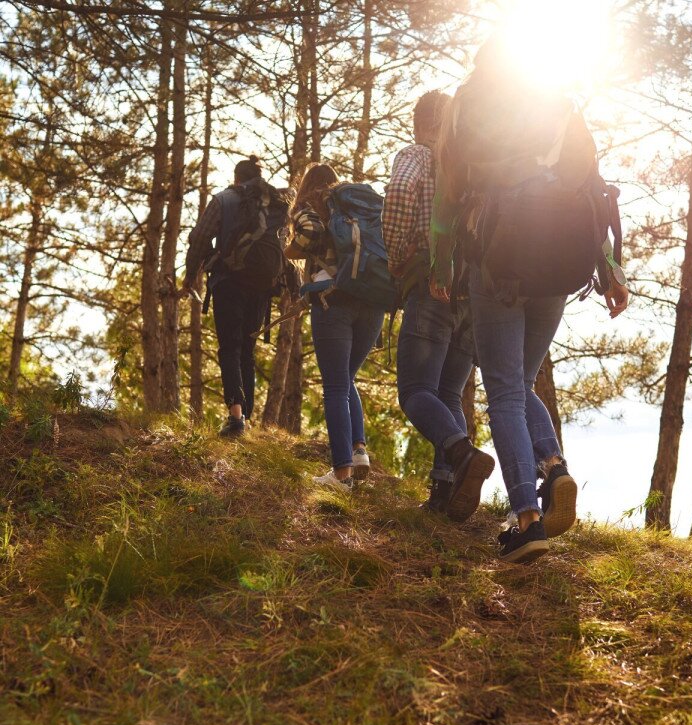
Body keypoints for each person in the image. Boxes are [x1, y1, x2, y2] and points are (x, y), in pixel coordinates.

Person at [431, 37, 629, 562]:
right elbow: (594, 187)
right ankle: (554, 469)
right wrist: (610, 270)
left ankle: (527, 519)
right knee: (519, 383)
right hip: (561, 266)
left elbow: (448, 197)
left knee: (504, 394)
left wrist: (439, 263)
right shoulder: (556, 103)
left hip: (498, 264)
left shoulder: (468, 105)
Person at [383, 90, 494, 521]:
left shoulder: (418, 154)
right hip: (472, 293)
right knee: (448, 392)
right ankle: (444, 492)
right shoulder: (473, 166)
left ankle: (463, 455)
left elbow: (398, 193)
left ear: (418, 122)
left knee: (415, 392)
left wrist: (395, 256)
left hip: (431, 283)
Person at [285, 163, 384, 490]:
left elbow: (310, 232)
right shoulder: (354, 207)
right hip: (371, 302)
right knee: (346, 379)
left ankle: (341, 475)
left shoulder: (310, 205)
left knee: (336, 387)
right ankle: (358, 452)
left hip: (332, 301)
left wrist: (291, 249)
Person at [182, 155, 289, 438]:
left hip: (229, 282)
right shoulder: (276, 205)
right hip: (262, 287)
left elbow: (201, 237)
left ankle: (236, 417)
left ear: (236, 178)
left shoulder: (224, 199)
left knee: (229, 346)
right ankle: (247, 419)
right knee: (246, 351)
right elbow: (284, 247)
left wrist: (190, 273)